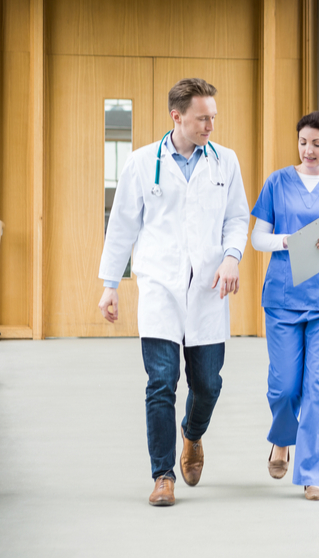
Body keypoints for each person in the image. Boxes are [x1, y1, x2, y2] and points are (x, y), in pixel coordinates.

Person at [97, 78, 249, 507]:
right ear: (177, 116)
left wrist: (232, 256)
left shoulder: (226, 162)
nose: (210, 126)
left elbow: (238, 218)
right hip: (160, 287)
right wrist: (111, 286)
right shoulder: (144, 163)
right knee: (161, 383)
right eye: (203, 118)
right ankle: (163, 475)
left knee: (208, 384)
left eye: (214, 118)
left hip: (208, 289)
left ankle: (193, 434)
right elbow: (122, 224)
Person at [250, 111, 319, 501]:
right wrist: (288, 242)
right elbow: (257, 239)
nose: (309, 149)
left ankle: (312, 474)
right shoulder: (278, 183)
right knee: (284, 388)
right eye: (303, 142)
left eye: (317, 143)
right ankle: (282, 439)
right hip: (283, 299)